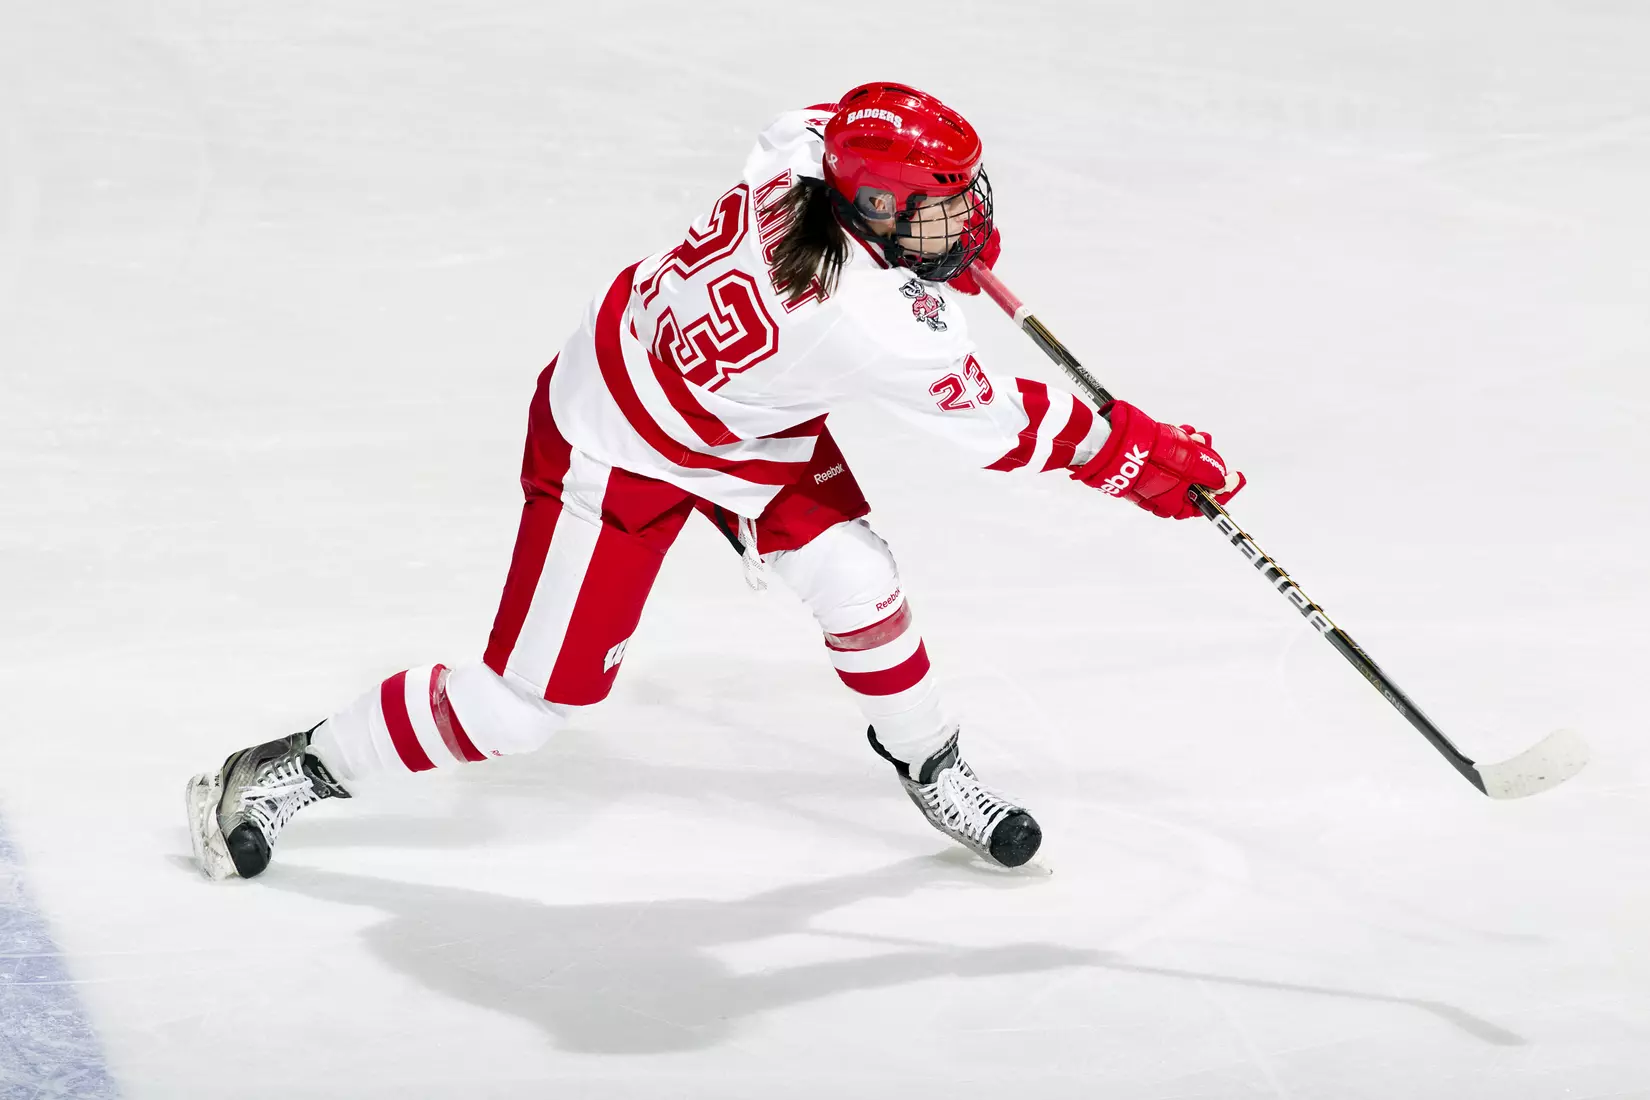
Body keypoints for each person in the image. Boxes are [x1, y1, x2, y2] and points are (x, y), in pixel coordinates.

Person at [186, 81, 1245, 880]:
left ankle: (929, 762)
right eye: (937, 208)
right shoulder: (871, 322)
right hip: (613, 445)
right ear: (872, 209)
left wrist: (922, 243)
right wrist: (1142, 458)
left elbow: (833, 124)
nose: (963, 221)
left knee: (861, 585)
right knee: (518, 707)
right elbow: (1007, 429)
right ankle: (289, 767)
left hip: (744, 427)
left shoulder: (801, 154)